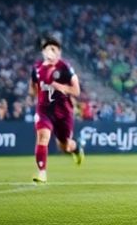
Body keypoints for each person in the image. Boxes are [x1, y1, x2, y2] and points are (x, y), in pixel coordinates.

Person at [30, 35, 84, 183]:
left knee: (65, 146)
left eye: (53, 49)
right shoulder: (37, 68)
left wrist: (62, 87)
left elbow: (76, 91)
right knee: (43, 137)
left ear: (58, 52)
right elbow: (34, 85)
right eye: (47, 49)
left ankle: (76, 148)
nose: (50, 52)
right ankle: (42, 172)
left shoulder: (65, 68)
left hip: (63, 112)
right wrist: (38, 96)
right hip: (44, 110)